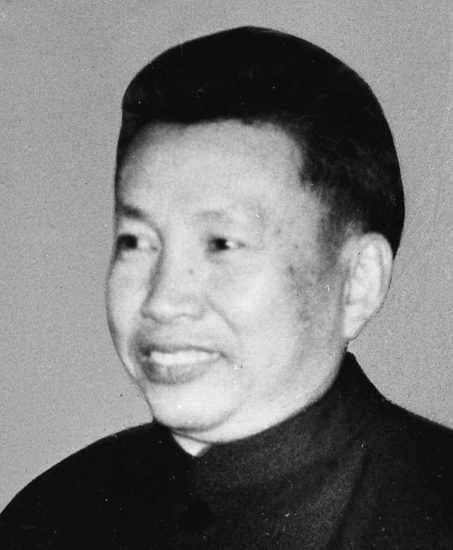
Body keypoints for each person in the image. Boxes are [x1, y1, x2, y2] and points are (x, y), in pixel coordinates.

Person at [0, 26, 451, 550]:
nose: (162, 301)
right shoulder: (51, 515)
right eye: (136, 242)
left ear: (358, 282)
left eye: (221, 244)